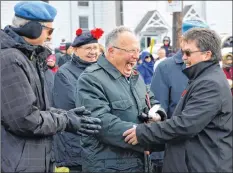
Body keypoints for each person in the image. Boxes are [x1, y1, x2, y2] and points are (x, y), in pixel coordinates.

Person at [0, 2, 102, 172]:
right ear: (32, 28)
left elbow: (39, 108)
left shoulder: (27, 57)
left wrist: (64, 114)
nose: (49, 37)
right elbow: (25, 120)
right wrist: (66, 121)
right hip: (18, 162)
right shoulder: (10, 59)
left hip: (30, 159)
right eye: (49, 30)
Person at [123, 28, 233, 173]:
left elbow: (186, 125)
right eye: (182, 52)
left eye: (188, 53)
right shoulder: (203, 77)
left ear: (207, 55)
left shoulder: (209, 83)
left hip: (204, 164)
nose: (183, 58)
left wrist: (143, 132)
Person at [75, 26, 167, 172]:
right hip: (108, 166)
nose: (136, 56)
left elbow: (152, 100)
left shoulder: (135, 77)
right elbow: (100, 122)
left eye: (137, 51)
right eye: (131, 51)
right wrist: (144, 136)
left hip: (140, 163)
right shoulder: (91, 79)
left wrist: (157, 114)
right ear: (111, 51)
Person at [149, 19, 210, 172]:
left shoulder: (210, 67)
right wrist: (158, 155)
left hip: (205, 153)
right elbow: (157, 111)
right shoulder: (166, 68)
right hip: (175, 153)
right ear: (183, 40)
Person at [52, 28, 103, 171]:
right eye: (88, 48)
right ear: (75, 50)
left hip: (98, 141)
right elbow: (75, 105)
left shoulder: (101, 69)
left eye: (95, 48)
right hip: (76, 142)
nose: (93, 52)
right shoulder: (65, 73)